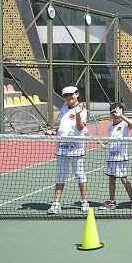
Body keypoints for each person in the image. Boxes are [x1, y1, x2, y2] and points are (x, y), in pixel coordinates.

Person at [46, 86, 90, 215]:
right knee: (60, 176)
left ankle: (85, 202)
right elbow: (62, 128)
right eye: (65, 96)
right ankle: (56, 204)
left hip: (76, 148)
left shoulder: (82, 109)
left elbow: (81, 128)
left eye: (71, 95)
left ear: (77, 94)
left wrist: (77, 114)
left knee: (80, 175)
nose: (68, 97)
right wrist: (53, 132)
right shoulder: (63, 109)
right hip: (61, 148)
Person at [99, 102, 132, 210]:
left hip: (121, 158)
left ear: (122, 112)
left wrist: (121, 116)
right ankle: (112, 201)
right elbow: (112, 139)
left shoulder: (125, 124)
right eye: (113, 112)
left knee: (124, 179)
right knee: (111, 179)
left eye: (117, 111)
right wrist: (105, 143)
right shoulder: (110, 127)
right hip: (110, 158)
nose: (115, 114)